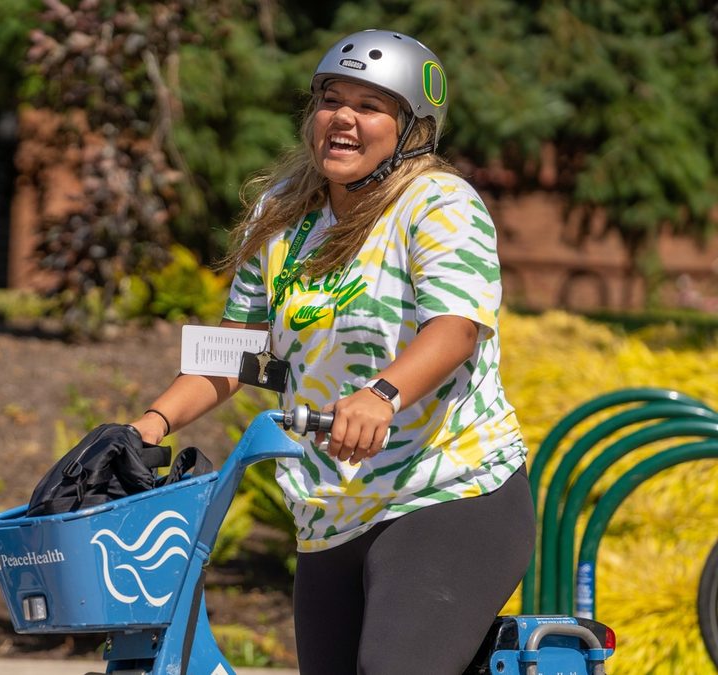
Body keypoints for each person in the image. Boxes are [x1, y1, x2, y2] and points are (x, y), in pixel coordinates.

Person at [130, 30, 534, 674]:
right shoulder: (281, 214)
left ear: (412, 130)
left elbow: (457, 328)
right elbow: (234, 349)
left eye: (371, 106)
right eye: (331, 99)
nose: (343, 117)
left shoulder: (437, 203)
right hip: (327, 511)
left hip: (447, 494)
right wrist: (146, 426)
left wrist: (382, 395)